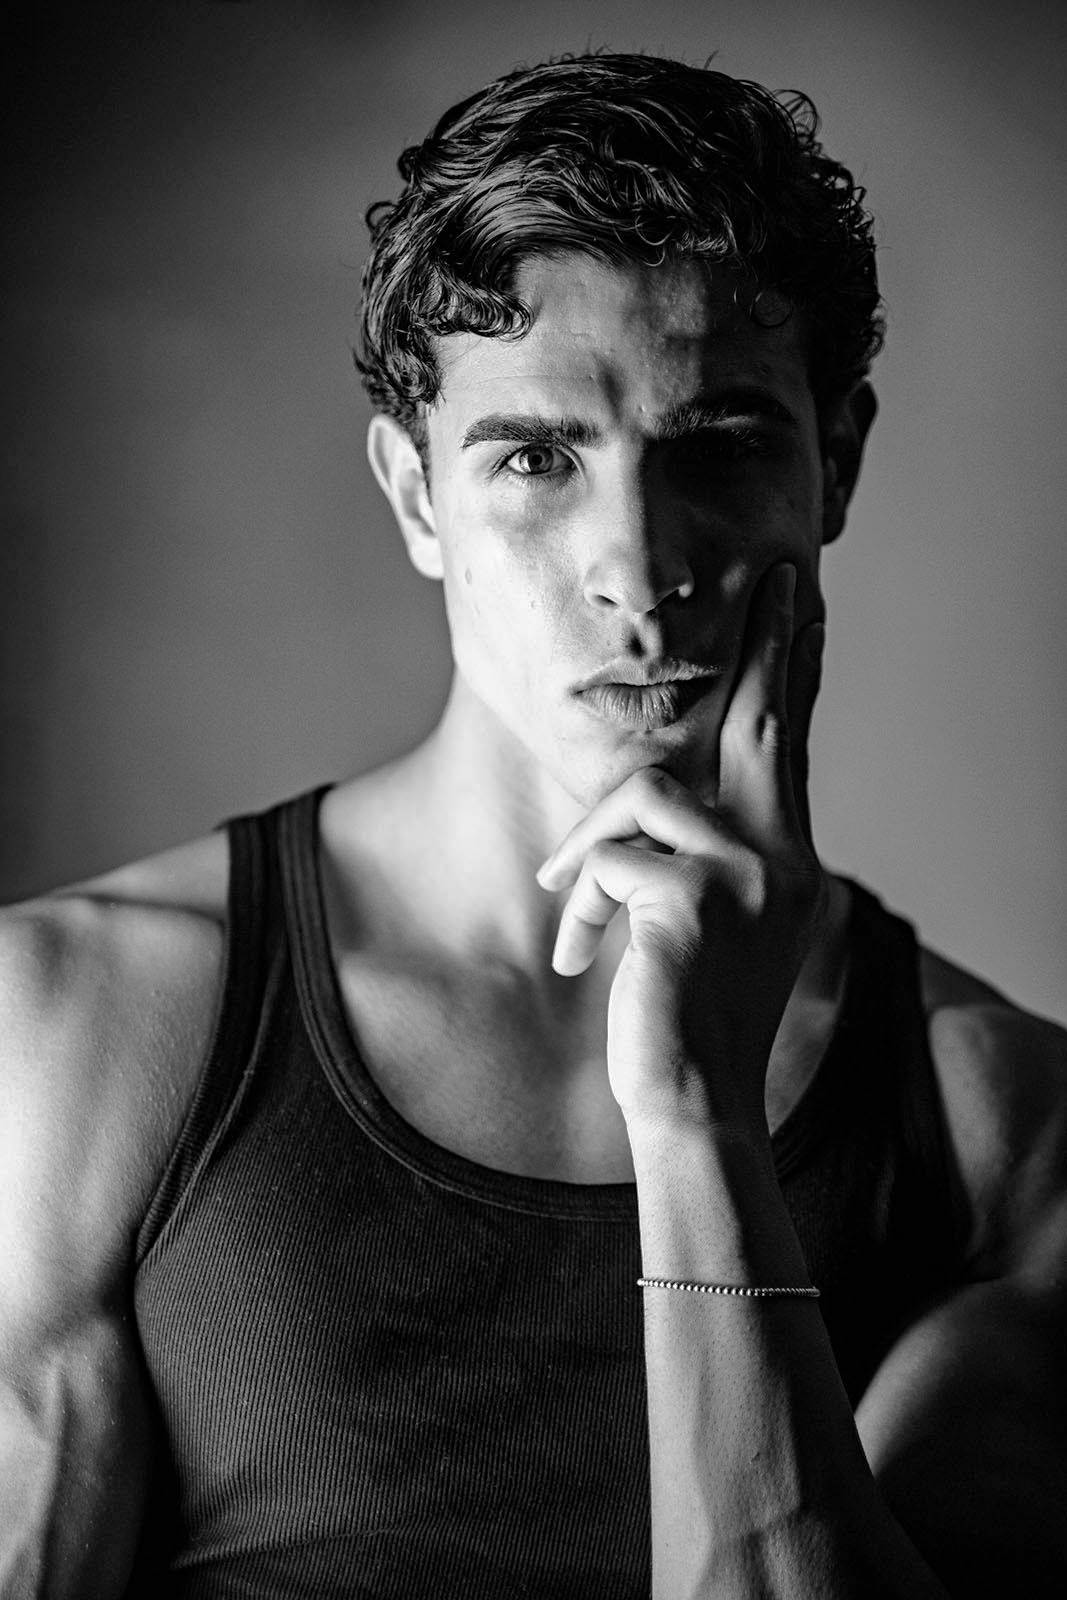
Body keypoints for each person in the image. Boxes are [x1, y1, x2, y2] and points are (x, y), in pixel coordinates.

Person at [1, 49, 1064, 1600]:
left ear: (834, 462)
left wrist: (698, 1117)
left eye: (719, 443)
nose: (638, 564)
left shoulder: (1003, 1133)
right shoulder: (76, 1026)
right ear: (417, 497)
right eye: (536, 458)